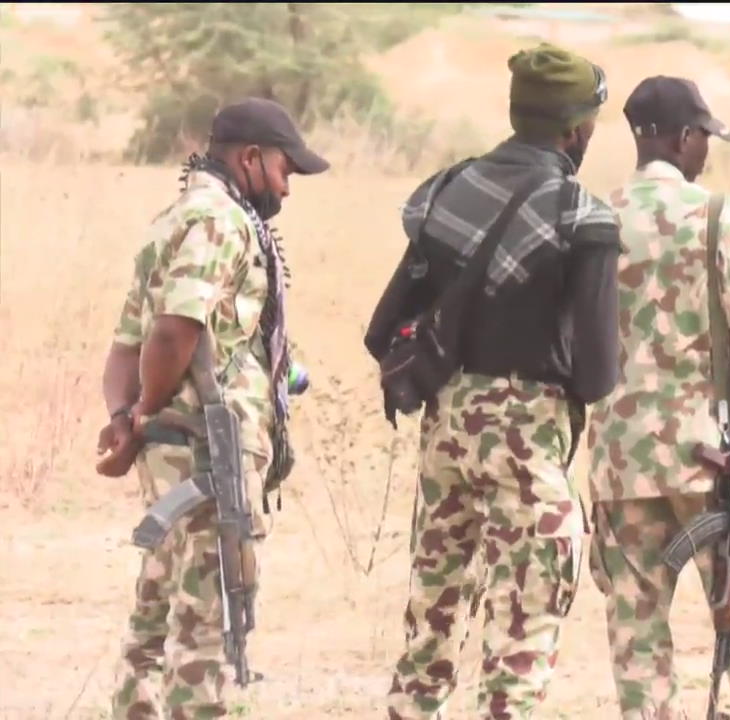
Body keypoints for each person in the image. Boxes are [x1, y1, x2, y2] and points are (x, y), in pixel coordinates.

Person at [375, 42, 622, 719]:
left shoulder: (450, 188)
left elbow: (388, 323)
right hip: (527, 441)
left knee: (432, 619)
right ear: (577, 130)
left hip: (445, 429)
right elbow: (600, 375)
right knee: (525, 623)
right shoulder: (584, 216)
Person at [95, 97, 329, 719]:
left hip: (178, 453)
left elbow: (125, 344)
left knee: (155, 619)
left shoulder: (174, 216)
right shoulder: (221, 220)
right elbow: (173, 330)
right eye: (285, 169)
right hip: (206, 452)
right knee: (209, 629)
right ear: (250, 158)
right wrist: (142, 414)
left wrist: (125, 419)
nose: (287, 186)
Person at [585, 75, 730, 719]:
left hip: (620, 461)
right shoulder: (718, 215)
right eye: (704, 137)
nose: (706, 150)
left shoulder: (597, 218)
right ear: (685, 137)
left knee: (635, 629)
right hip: (707, 460)